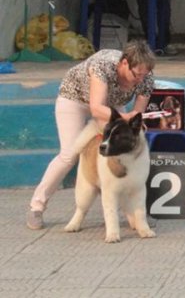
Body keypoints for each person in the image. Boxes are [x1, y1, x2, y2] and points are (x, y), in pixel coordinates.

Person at [26, 40, 156, 230]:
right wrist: (123, 118)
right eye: (136, 75)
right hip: (75, 99)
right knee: (69, 154)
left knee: (122, 148)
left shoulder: (145, 78)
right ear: (124, 63)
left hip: (111, 105)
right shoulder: (102, 66)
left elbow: (136, 116)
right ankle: (36, 206)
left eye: (144, 75)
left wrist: (135, 124)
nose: (139, 80)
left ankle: (131, 212)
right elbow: (96, 108)